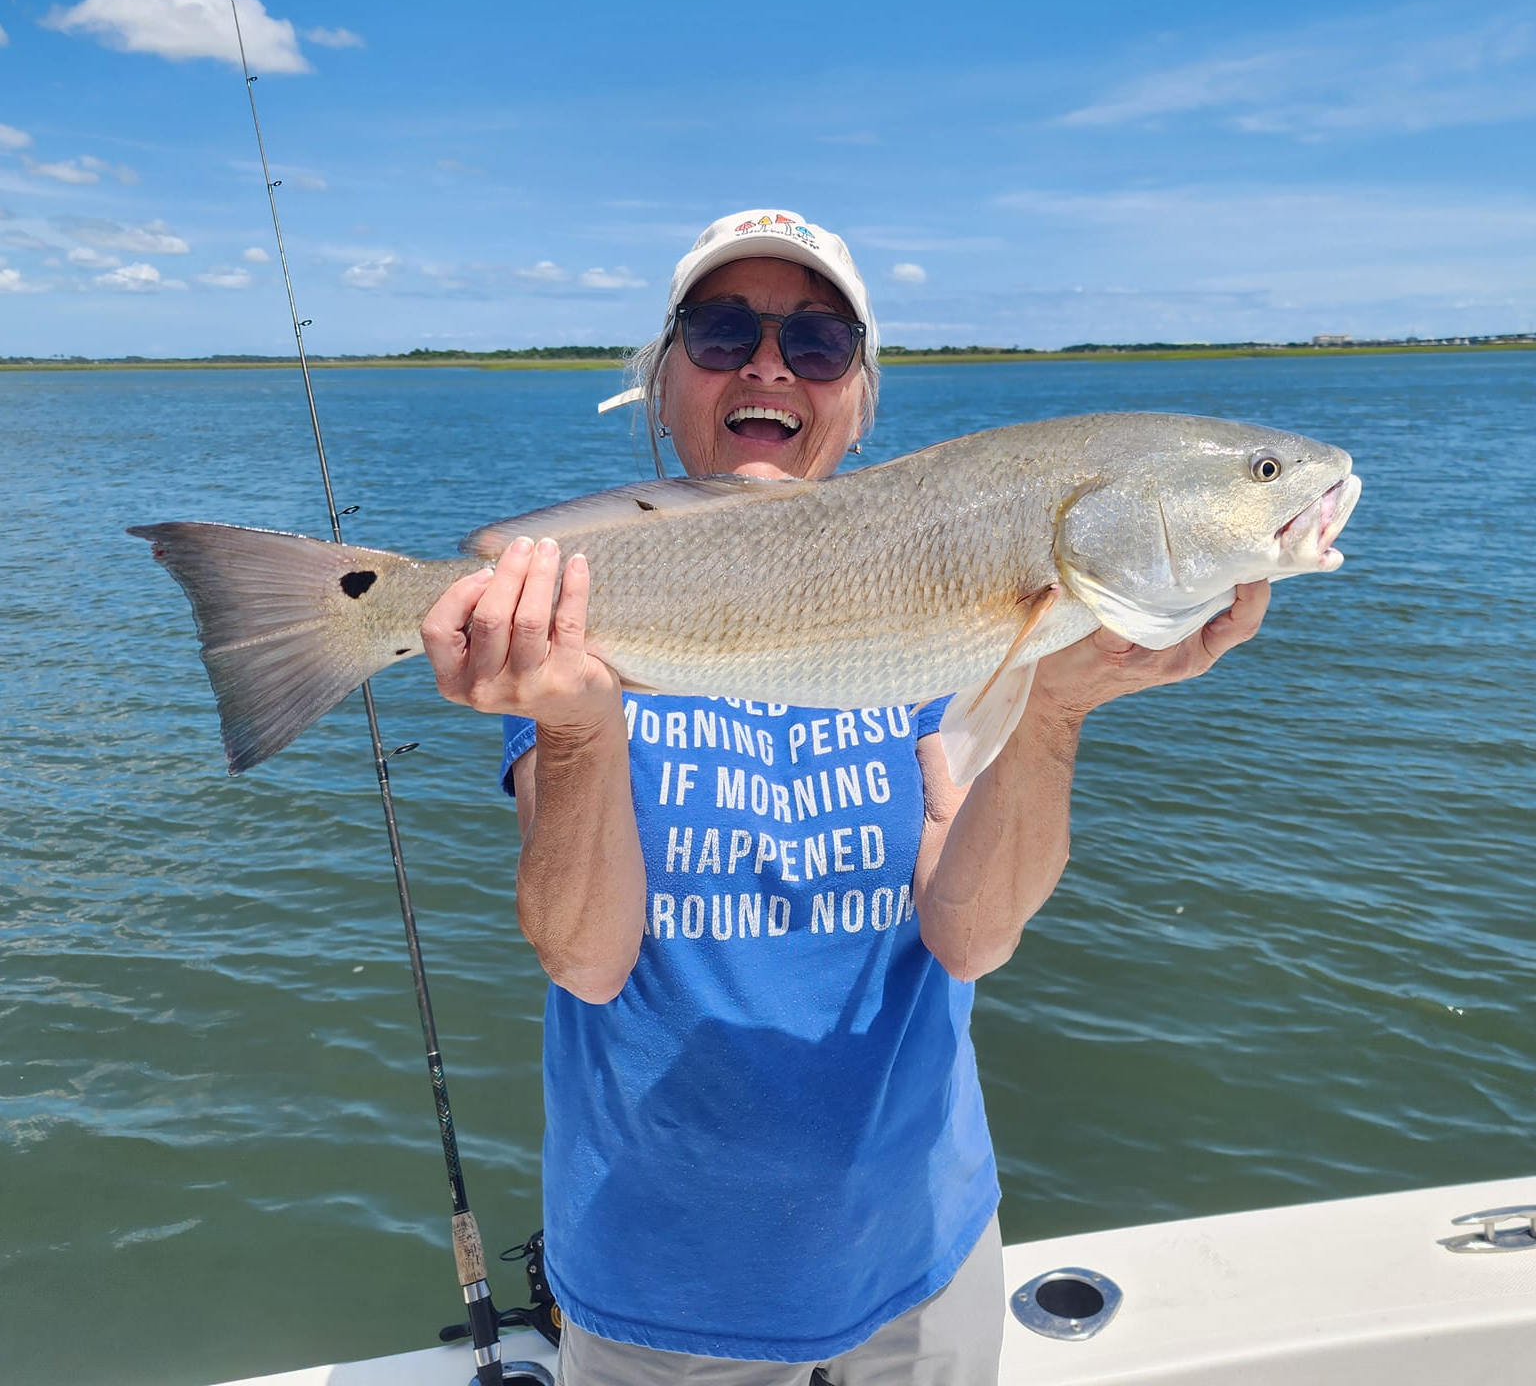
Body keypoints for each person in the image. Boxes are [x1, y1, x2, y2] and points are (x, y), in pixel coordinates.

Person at [421, 210, 1269, 1385]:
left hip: (923, 1256)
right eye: (723, 332)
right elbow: (587, 959)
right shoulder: (579, 621)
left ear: (859, 399)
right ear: (661, 383)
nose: (768, 364)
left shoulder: (947, 595)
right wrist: (573, 726)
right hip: (661, 1286)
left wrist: (1057, 705)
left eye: (816, 345)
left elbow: (968, 932)